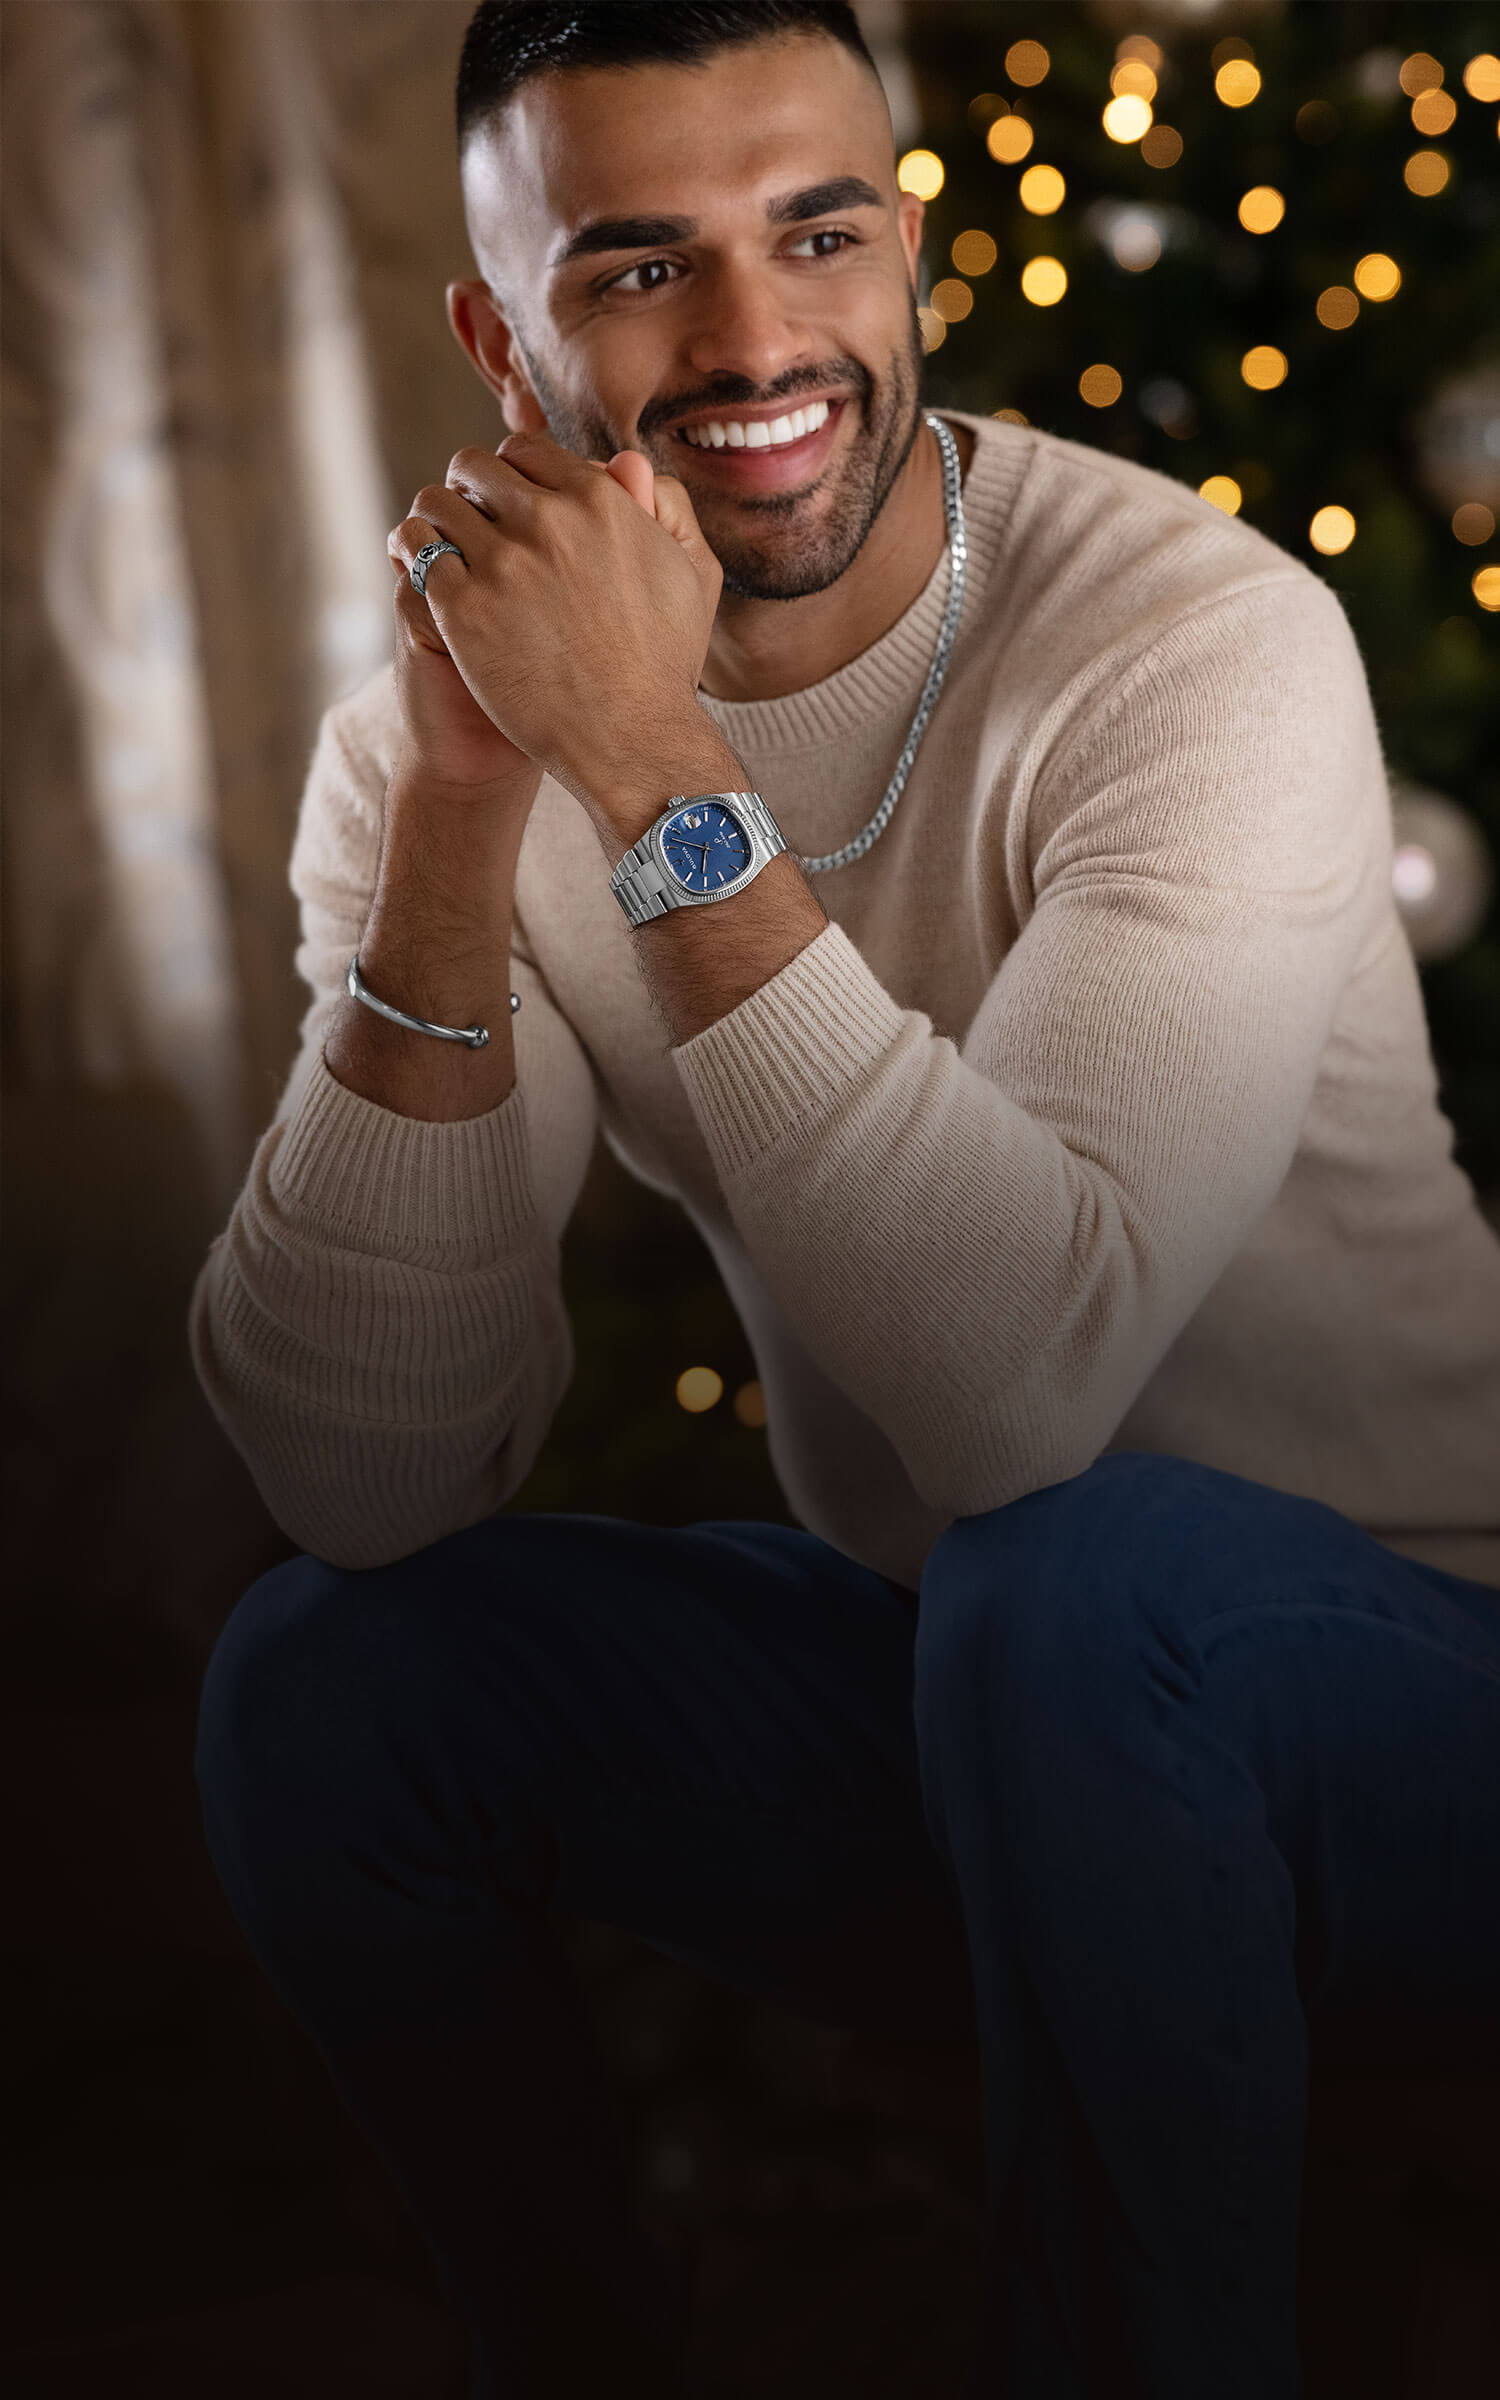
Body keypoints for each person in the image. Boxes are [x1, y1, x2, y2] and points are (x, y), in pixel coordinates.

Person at [188, 4, 1500, 2394]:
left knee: (1072, 1577)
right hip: (988, 1714)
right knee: (330, 1682)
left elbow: (1021, 1404)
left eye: (817, 236)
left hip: (1423, 1715)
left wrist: (652, 763)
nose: (758, 340)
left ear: (914, 254)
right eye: (635, 270)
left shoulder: (1196, 645)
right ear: (499, 336)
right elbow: (360, 1476)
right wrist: (469, 810)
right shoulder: (451, 737)